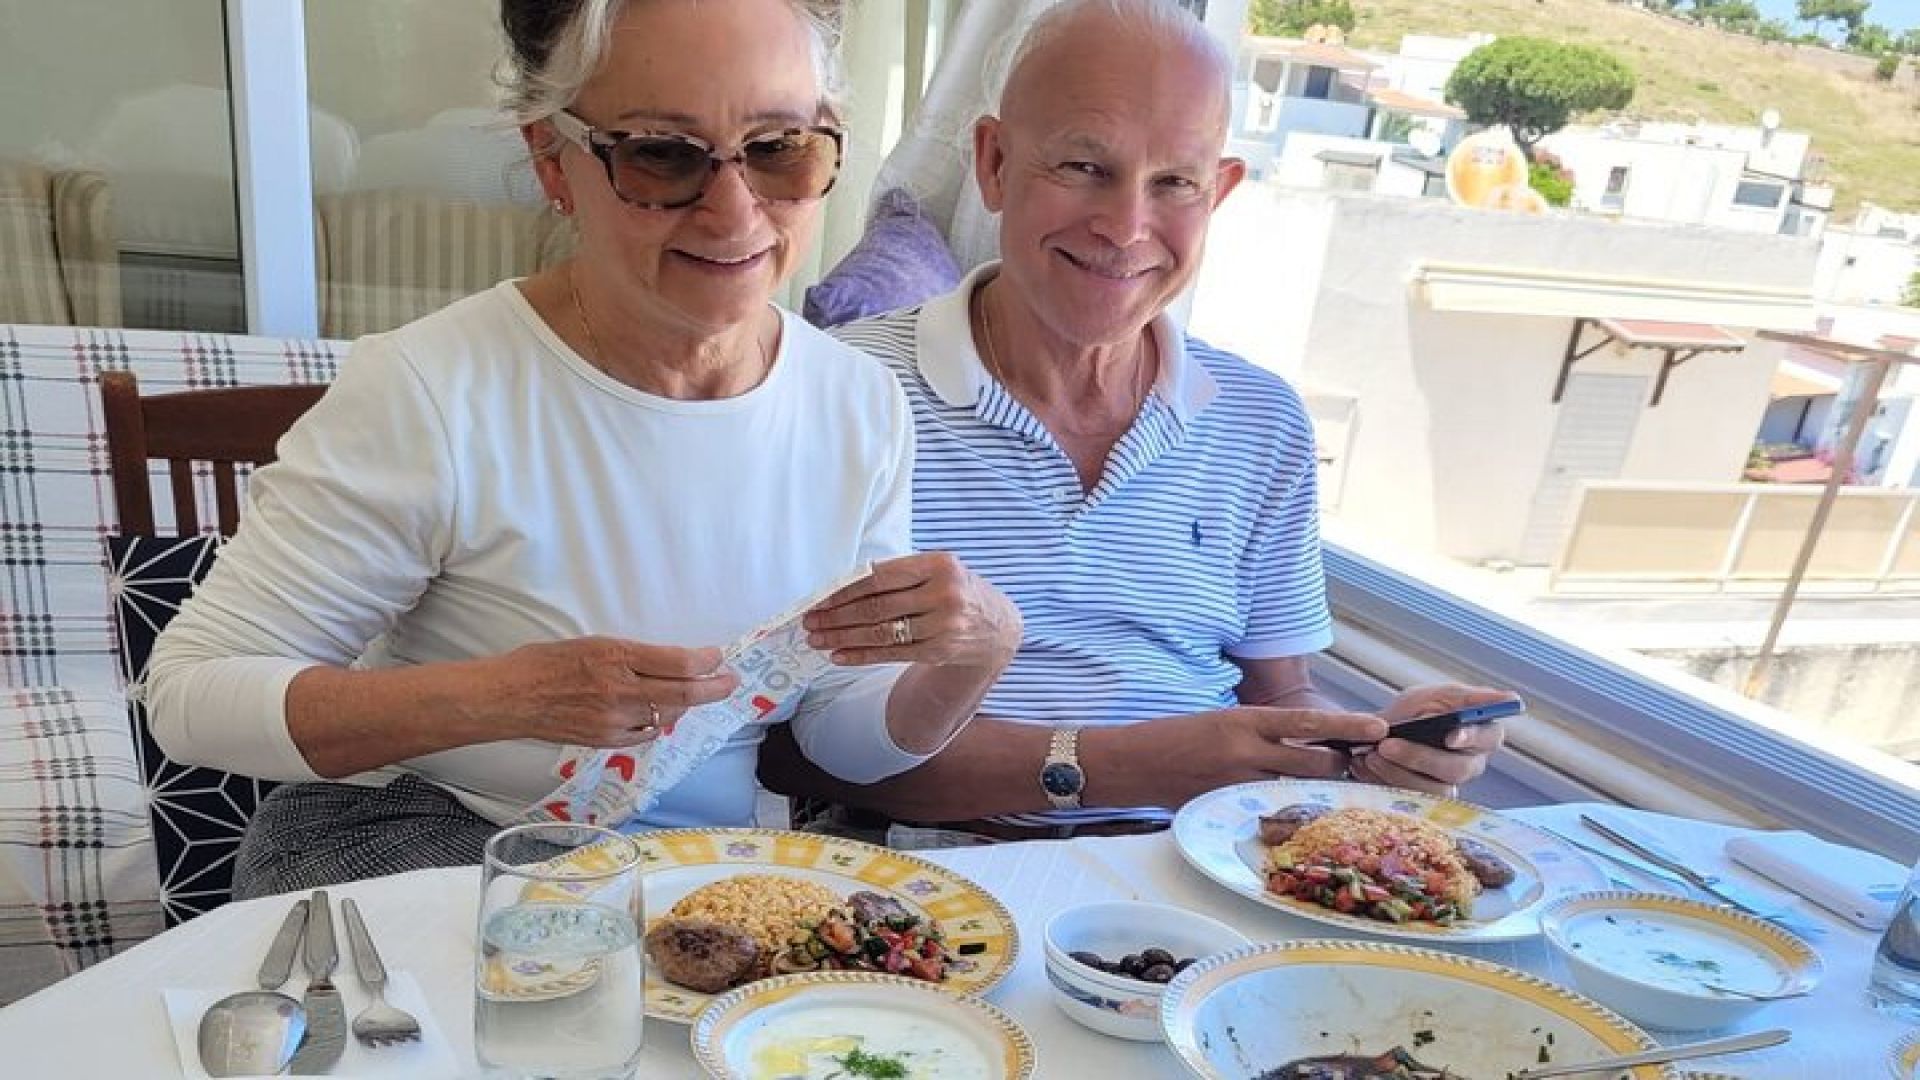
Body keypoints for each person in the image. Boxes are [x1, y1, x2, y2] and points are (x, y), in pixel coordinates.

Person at [146, 0, 1020, 897]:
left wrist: (976, 654)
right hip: (430, 843)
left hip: (696, 878)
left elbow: (843, 737)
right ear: (550, 158)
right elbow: (189, 696)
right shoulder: (433, 388)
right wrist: (499, 699)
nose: (733, 213)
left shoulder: (858, 401)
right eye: (661, 154)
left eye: (778, 148)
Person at [761, 0, 1511, 845]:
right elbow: (788, 751)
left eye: (1173, 184)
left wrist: (1372, 748)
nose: (1124, 227)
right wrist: (1125, 765)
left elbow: (1279, 696)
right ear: (995, 162)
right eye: (1084, 166)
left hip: (1207, 877)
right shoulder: (835, 392)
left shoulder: (1262, 423)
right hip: (921, 885)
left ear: (1218, 191)